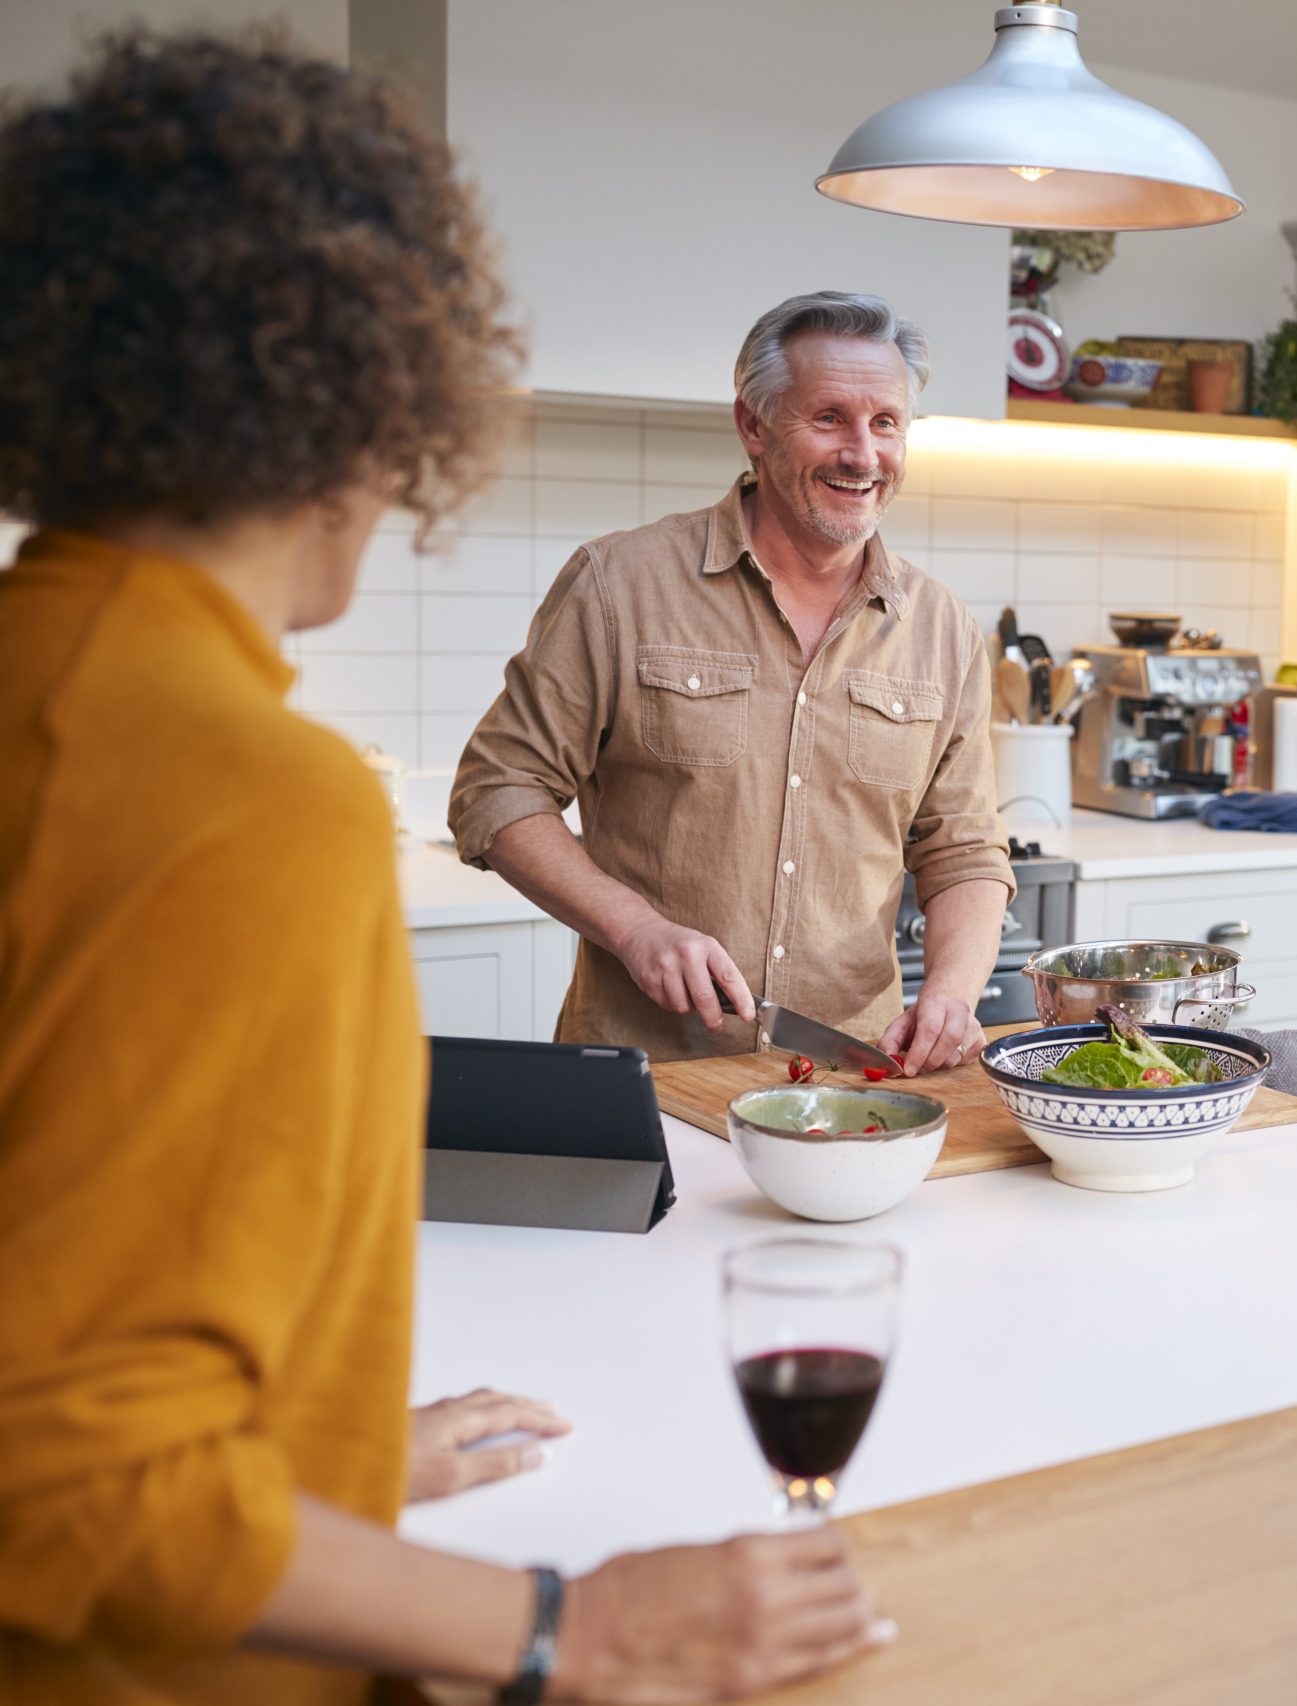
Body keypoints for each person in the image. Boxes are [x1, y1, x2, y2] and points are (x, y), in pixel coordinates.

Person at [0, 32, 888, 1702]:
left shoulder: (45, 684)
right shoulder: (242, 798)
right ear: (375, 382)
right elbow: (74, 1480)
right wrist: (578, 1630)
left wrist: (317, 1450)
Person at [449, 291, 1013, 1072]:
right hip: (644, 1070)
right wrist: (634, 928)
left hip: (852, 1075)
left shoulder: (942, 629)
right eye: (829, 418)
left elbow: (965, 852)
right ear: (753, 425)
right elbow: (497, 789)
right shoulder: (619, 584)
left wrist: (953, 992)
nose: (862, 453)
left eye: (886, 423)